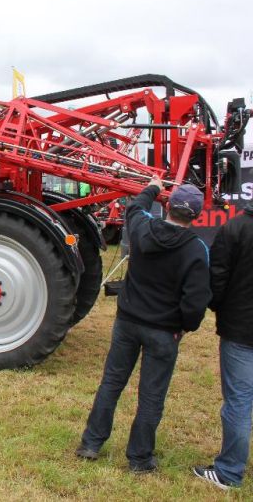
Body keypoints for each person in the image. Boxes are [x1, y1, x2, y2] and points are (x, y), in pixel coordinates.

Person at [76, 177, 211, 473]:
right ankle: (139, 459)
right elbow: (195, 301)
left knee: (111, 383)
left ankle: (91, 443)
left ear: (169, 206)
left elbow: (135, 206)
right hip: (164, 331)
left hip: (127, 322)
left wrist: (152, 186)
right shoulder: (196, 249)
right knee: (151, 396)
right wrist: (186, 326)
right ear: (197, 215)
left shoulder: (142, 228)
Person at [192, 201, 253, 490]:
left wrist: (215, 306)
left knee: (238, 402)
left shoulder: (235, 228)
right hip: (240, 326)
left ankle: (229, 471)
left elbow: (217, 277)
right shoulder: (236, 227)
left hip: (241, 329)